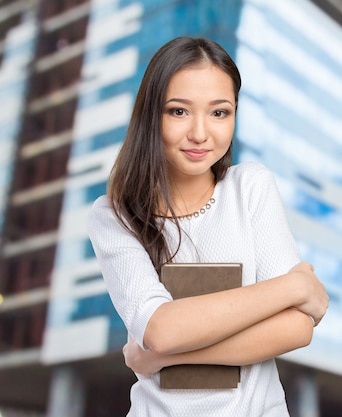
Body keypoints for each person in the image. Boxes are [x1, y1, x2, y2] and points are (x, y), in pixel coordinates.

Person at [87, 36, 329, 416]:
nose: (200, 133)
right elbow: (161, 330)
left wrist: (162, 359)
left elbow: (296, 328)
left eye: (219, 113)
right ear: (151, 115)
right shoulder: (114, 214)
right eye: (179, 111)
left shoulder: (250, 187)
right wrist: (293, 285)